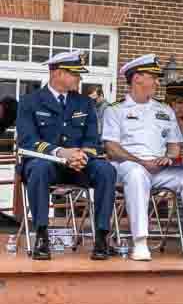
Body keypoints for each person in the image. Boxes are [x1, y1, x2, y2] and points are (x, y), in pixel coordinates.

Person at [102, 55, 183, 261]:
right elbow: (111, 148)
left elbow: (175, 145)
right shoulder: (115, 110)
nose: (158, 82)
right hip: (127, 167)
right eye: (154, 77)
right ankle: (140, 242)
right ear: (138, 78)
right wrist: (141, 161)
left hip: (159, 169)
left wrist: (169, 157)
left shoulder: (164, 110)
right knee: (137, 174)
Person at [15, 51, 116, 260]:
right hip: (45, 165)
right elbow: (28, 142)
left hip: (78, 166)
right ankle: (42, 235)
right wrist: (61, 152)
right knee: (39, 168)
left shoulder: (84, 103)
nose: (80, 78)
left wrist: (81, 156)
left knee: (106, 170)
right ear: (58, 73)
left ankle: (102, 236)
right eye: (75, 74)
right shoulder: (29, 102)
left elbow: (92, 141)